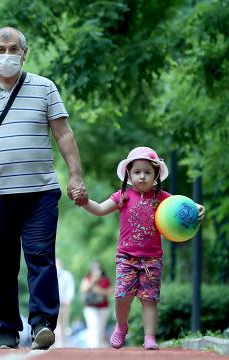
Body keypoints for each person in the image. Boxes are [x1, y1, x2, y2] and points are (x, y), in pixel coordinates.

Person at [0, 26, 88, 350]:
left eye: (14, 49)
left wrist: (75, 175)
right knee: (3, 263)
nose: (7, 54)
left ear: (24, 53)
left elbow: (64, 133)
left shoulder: (44, 88)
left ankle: (42, 323)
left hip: (39, 191)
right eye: (2, 48)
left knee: (40, 257)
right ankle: (6, 330)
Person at [76, 146, 205, 350]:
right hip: (126, 257)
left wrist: (198, 208)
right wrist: (84, 202)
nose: (142, 177)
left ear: (156, 175)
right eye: (137, 172)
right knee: (121, 296)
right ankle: (121, 326)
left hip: (152, 259)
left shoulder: (162, 198)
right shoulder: (122, 196)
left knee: (149, 299)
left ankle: (150, 337)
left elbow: (183, 208)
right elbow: (100, 209)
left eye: (147, 172)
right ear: (129, 173)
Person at [79, 260, 111, 348]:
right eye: (94, 268)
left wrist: (100, 290)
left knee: (101, 327)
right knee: (93, 325)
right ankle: (92, 345)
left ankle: (99, 345)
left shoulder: (105, 280)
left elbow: (110, 292)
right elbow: (83, 290)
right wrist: (93, 281)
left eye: (98, 268)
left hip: (103, 307)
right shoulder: (87, 278)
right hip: (90, 306)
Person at [54, 259, 74, 347]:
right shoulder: (50, 274)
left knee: (64, 323)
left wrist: (68, 300)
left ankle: (63, 342)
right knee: (56, 324)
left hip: (64, 304)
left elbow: (70, 288)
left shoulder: (67, 275)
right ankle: (56, 342)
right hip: (54, 303)